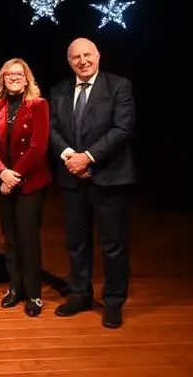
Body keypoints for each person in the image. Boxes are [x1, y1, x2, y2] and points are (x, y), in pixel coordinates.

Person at [48, 37, 136, 329]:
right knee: (77, 243)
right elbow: (53, 130)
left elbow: (122, 129)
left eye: (87, 55)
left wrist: (88, 158)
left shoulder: (119, 86)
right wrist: (71, 158)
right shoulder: (59, 90)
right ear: (69, 61)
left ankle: (113, 301)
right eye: (76, 57)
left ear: (98, 56)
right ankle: (80, 294)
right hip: (73, 179)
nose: (82, 61)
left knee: (113, 244)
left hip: (109, 178)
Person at [0, 58, 51, 317]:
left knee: (28, 239)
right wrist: (1, 173)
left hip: (29, 183)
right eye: (9, 75)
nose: (13, 78)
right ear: (2, 79)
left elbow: (38, 147)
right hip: (4, 183)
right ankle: (15, 288)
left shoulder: (38, 105)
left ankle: (34, 294)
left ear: (27, 78)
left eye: (18, 74)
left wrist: (14, 176)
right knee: (10, 239)